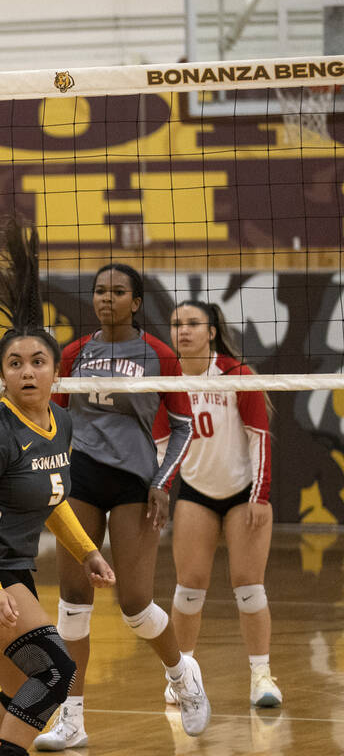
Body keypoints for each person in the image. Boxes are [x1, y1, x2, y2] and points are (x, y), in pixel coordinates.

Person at [0, 218, 116, 756]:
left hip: (10, 566)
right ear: (3, 376)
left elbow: (51, 499)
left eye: (38, 362)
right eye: (15, 364)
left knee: (18, 686)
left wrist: (87, 553)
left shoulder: (62, 421)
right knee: (55, 673)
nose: (27, 372)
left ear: (55, 371)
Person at [34, 263, 208, 751]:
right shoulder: (73, 353)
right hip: (81, 477)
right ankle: (72, 719)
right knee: (72, 599)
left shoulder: (159, 354)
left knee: (133, 602)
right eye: (99, 291)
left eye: (117, 291)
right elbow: (56, 419)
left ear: (136, 302)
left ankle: (183, 675)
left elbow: (183, 426)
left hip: (135, 480)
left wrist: (162, 482)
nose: (106, 298)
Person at [157, 300, 280, 707]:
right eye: (176, 324)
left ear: (211, 332)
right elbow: (162, 448)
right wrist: (159, 491)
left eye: (193, 323)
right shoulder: (167, 380)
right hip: (197, 492)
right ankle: (183, 678)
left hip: (243, 492)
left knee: (249, 589)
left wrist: (259, 496)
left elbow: (258, 437)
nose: (183, 331)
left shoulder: (236, 375)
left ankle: (261, 676)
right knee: (188, 589)